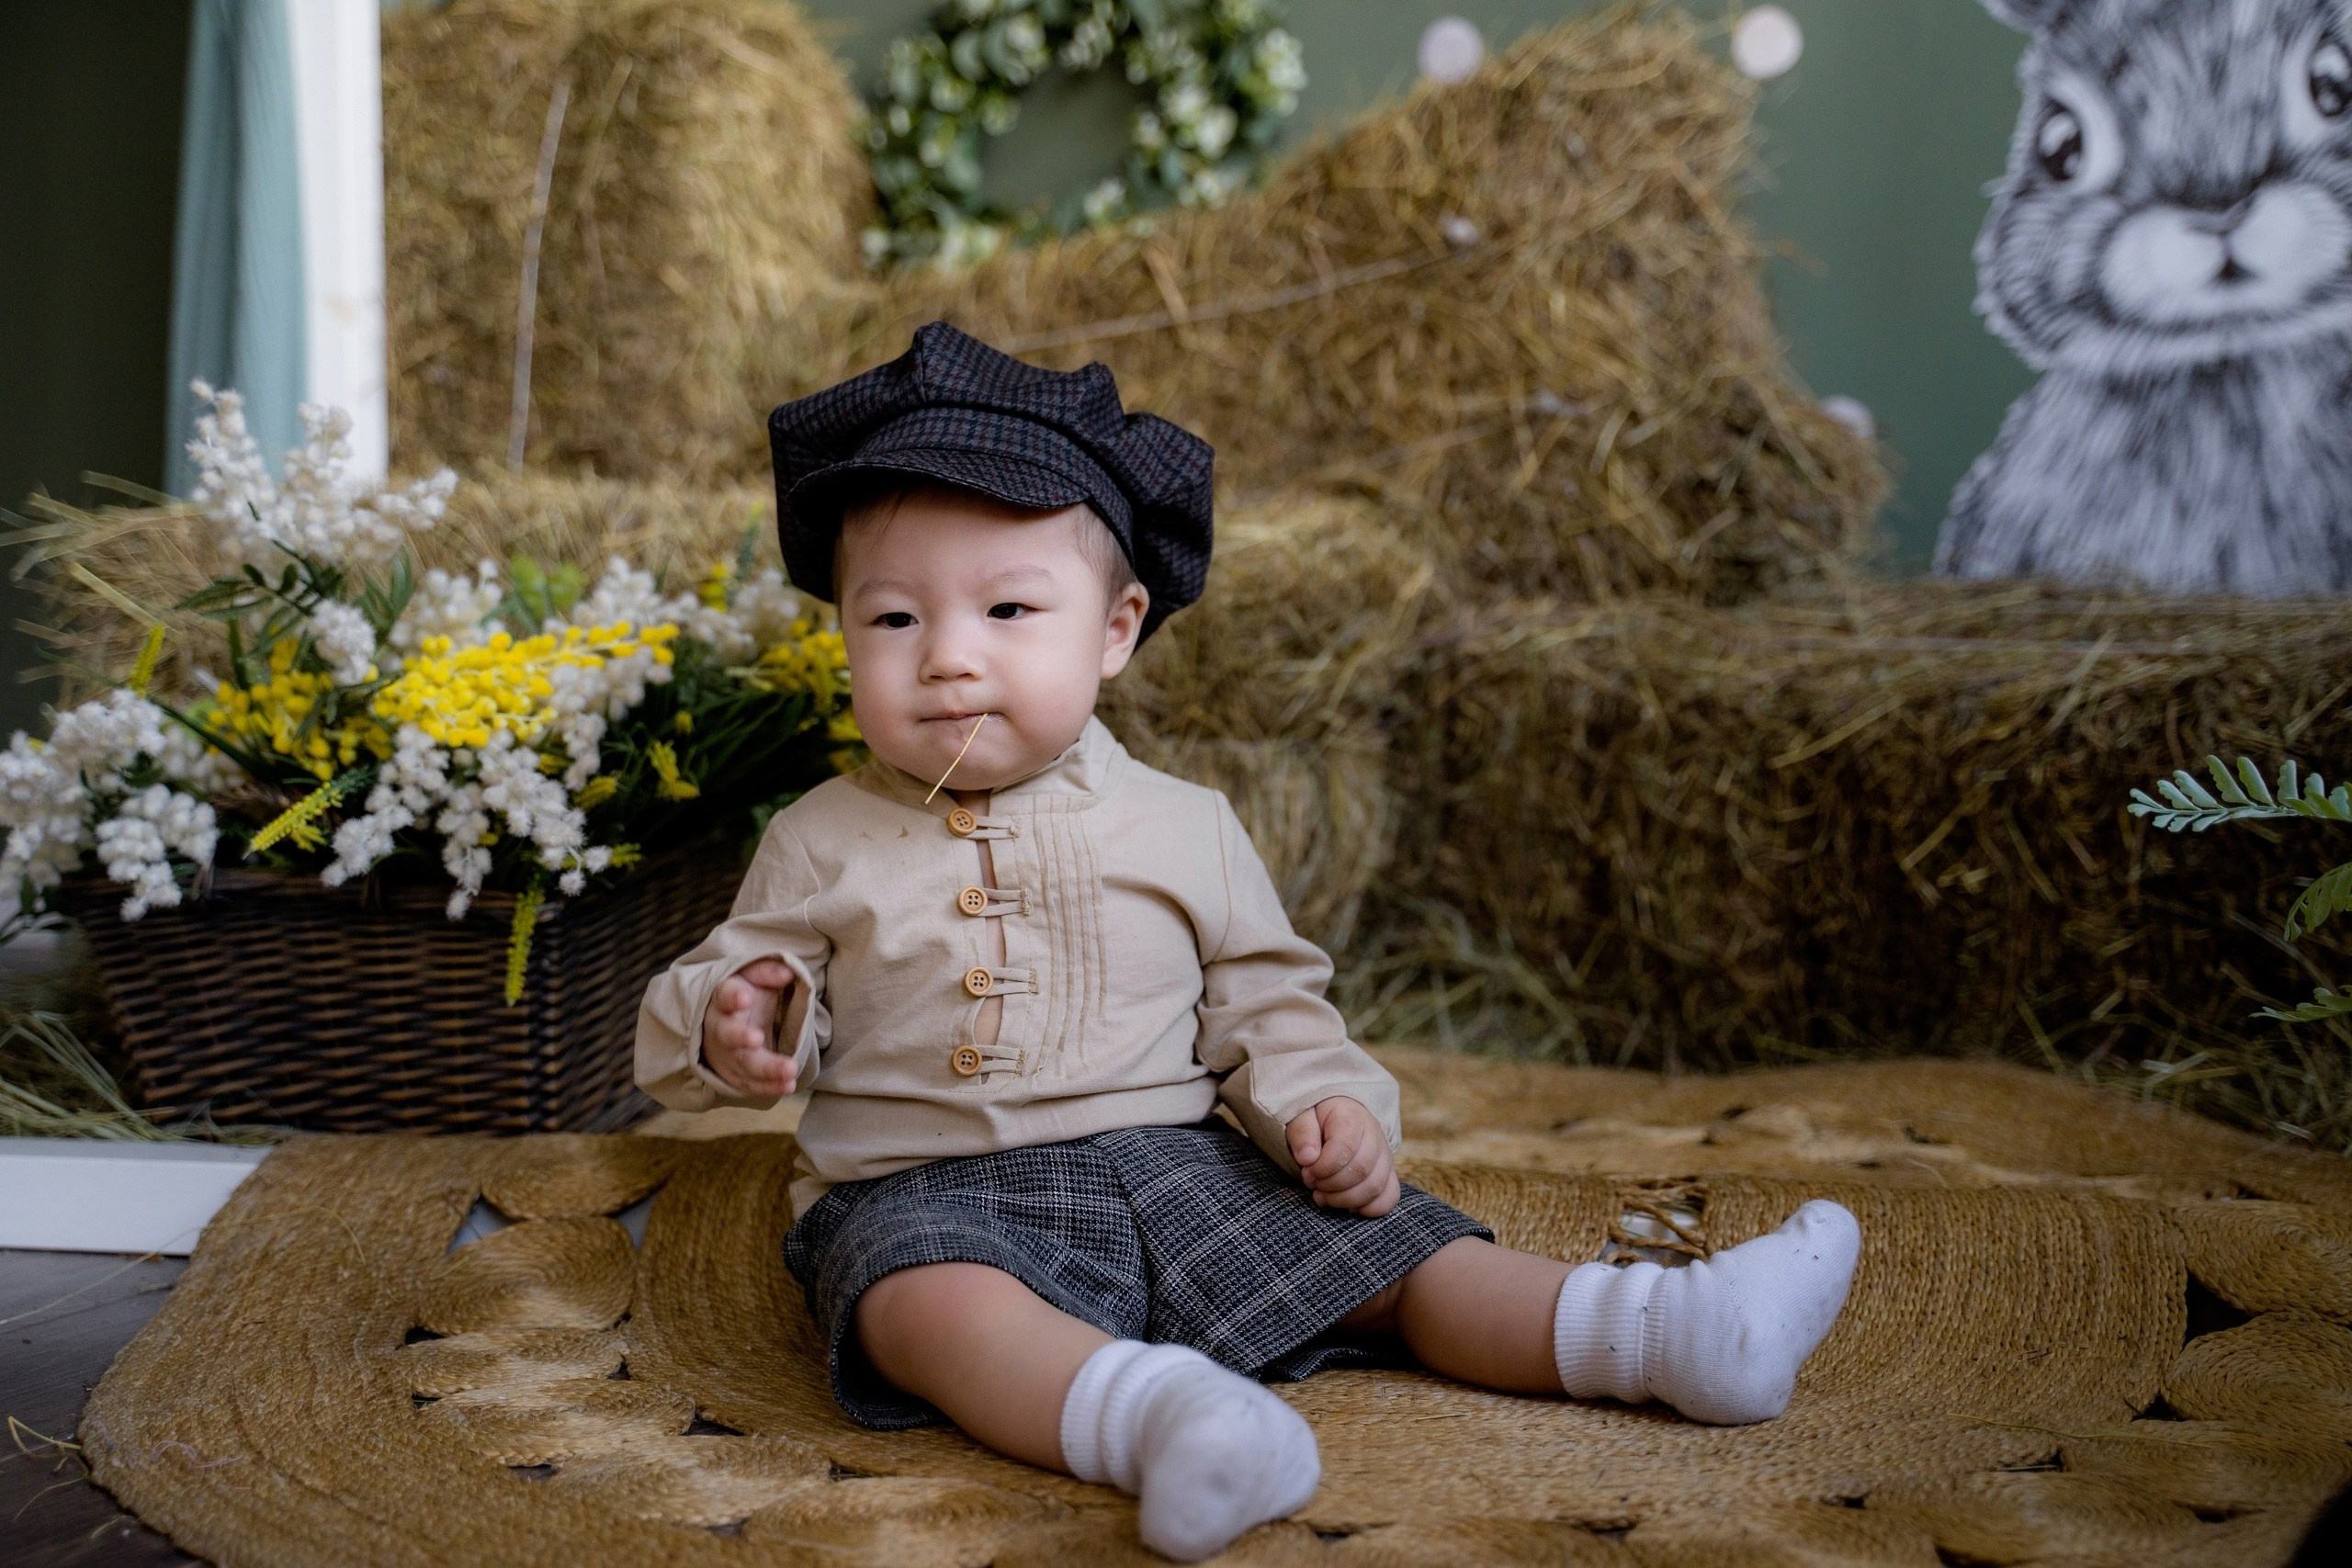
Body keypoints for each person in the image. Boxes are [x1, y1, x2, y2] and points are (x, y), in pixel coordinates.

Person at [637, 322, 1861, 1562]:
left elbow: (1270, 1009)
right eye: (893, 619)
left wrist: (1324, 1108)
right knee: (917, 1307)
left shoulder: (1183, 826)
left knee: (1398, 1254)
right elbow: (721, 996)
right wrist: (743, 1012)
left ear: (1113, 631)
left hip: (1182, 1165)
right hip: (925, 1192)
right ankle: (1173, 1423)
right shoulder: (820, 838)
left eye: (1009, 608)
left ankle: (1665, 1331)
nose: (949, 657)